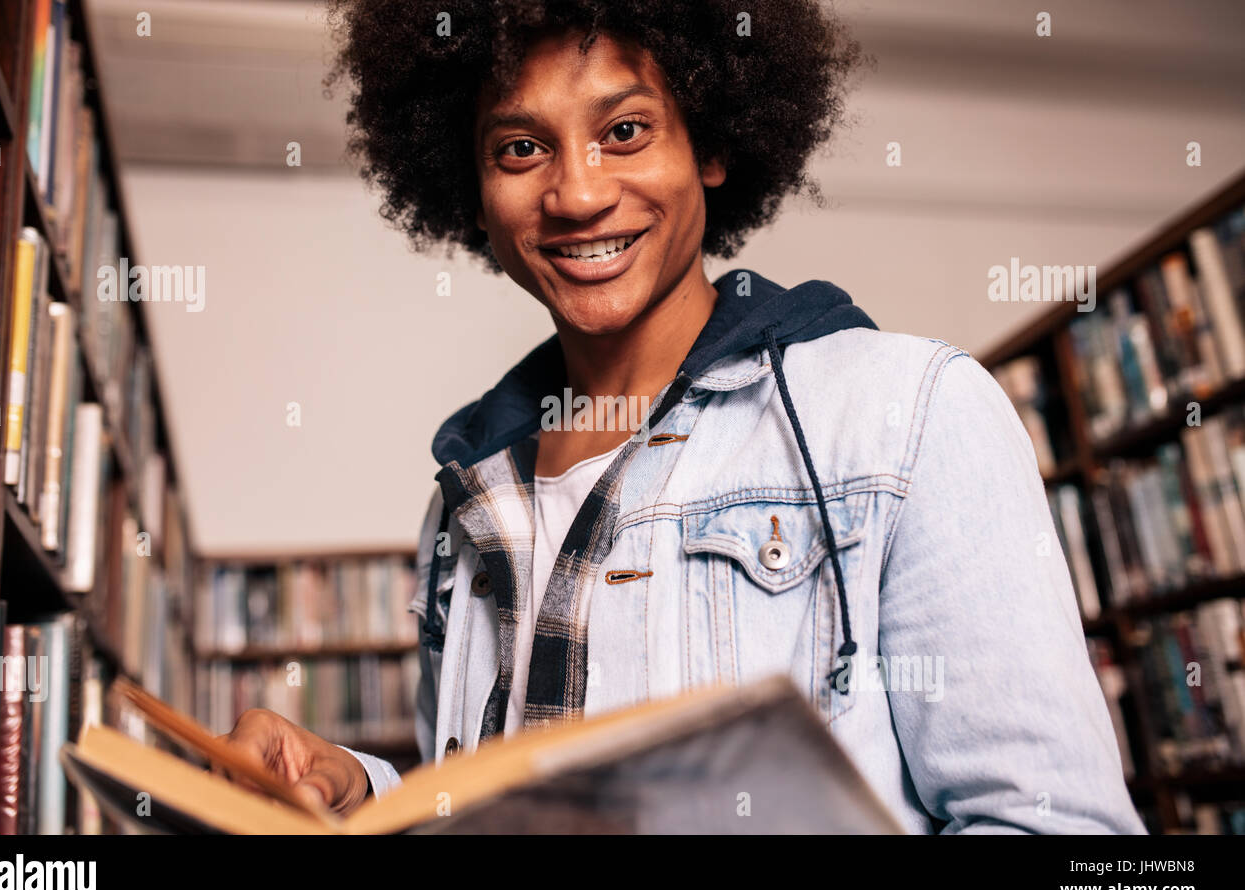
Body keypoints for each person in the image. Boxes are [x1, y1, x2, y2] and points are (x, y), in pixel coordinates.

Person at [220, 0, 1146, 833]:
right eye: (520, 147)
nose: (577, 194)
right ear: (475, 189)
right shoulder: (464, 497)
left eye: (624, 130)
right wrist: (363, 790)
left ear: (710, 147)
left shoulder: (909, 416)